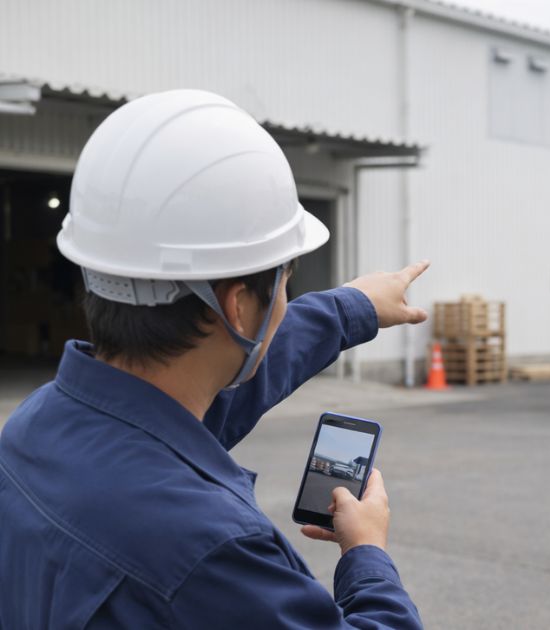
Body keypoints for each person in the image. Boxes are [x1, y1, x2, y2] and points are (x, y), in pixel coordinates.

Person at [0, 90, 427, 628]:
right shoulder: (211, 550)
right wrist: (366, 553)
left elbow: (204, 406)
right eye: (284, 281)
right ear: (238, 307)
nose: (284, 302)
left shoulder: (35, 431)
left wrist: (351, 310)